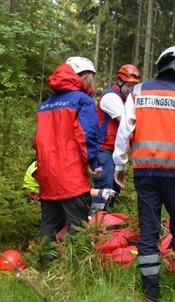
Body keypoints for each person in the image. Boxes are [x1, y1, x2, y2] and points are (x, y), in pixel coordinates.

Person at [113, 46, 175, 302]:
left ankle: (150, 293)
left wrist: (119, 165)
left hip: (145, 173)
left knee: (149, 230)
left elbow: (124, 131)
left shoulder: (139, 91)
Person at [33, 56, 101, 241]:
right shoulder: (82, 101)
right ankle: (72, 266)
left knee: (49, 222)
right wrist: (94, 163)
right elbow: (87, 135)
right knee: (76, 225)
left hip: (47, 175)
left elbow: (36, 141)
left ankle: (44, 263)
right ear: (84, 76)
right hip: (71, 175)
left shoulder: (45, 104)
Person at [92, 64, 141, 213]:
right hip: (103, 150)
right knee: (105, 189)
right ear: (120, 82)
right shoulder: (110, 97)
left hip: (116, 152)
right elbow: (127, 123)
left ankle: (104, 223)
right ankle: (94, 224)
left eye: (134, 85)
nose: (131, 89)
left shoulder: (129, 100)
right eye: (128, 85)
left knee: (114, 190)